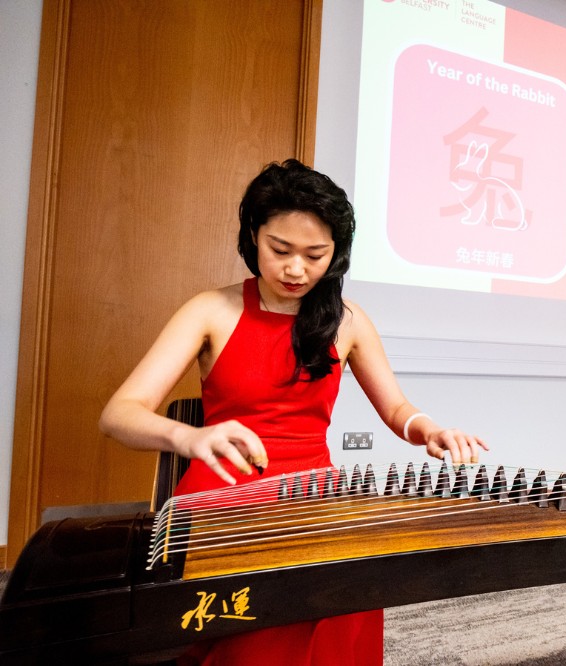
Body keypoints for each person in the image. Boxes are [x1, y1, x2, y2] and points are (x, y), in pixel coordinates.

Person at [99, 158, 488, 665]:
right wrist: (190, 438)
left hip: (312, 493)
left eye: (315, 255)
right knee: (260, 608)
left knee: (350, 589)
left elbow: (394, 406)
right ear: (253, 238)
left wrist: (427, 429)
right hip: (224, 490)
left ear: (336, 255)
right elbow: (119, 414)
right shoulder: (210, 310)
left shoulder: (346, 321)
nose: (296, 269)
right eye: (280, 250)